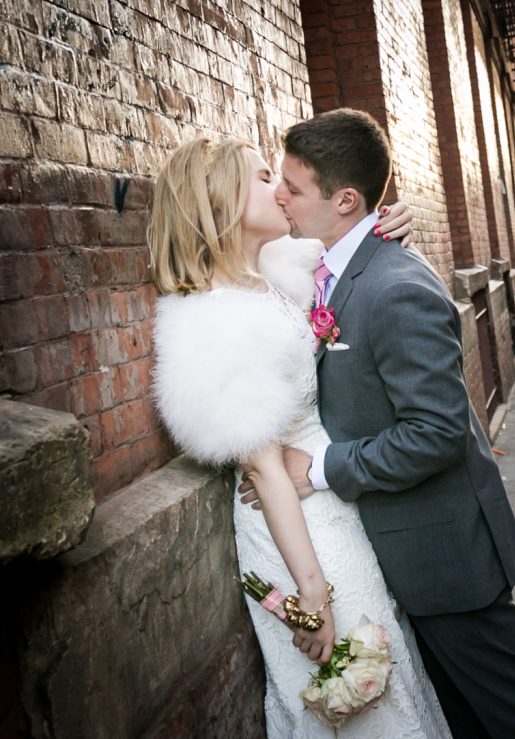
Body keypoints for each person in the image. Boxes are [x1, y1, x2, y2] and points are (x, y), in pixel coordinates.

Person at [252, 109, 515, 739]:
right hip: (398, 550)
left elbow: (434, 432)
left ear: (344, 200)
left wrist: (315, 470)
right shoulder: (333, 265)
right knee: (466, 718)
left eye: (291, 186)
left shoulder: (394, 283)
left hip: (444, 554)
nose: (279, 196)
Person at [148, 137, 449, 737]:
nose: (281, 191)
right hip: (296, 537)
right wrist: (312, 594)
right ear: (222, 201)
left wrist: (398, 218)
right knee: (351, 695)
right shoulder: (216, 316)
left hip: (331, 508)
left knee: (389, 682)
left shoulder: (277, 274)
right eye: (265, 179)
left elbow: (355, 242)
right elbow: (261, 468)